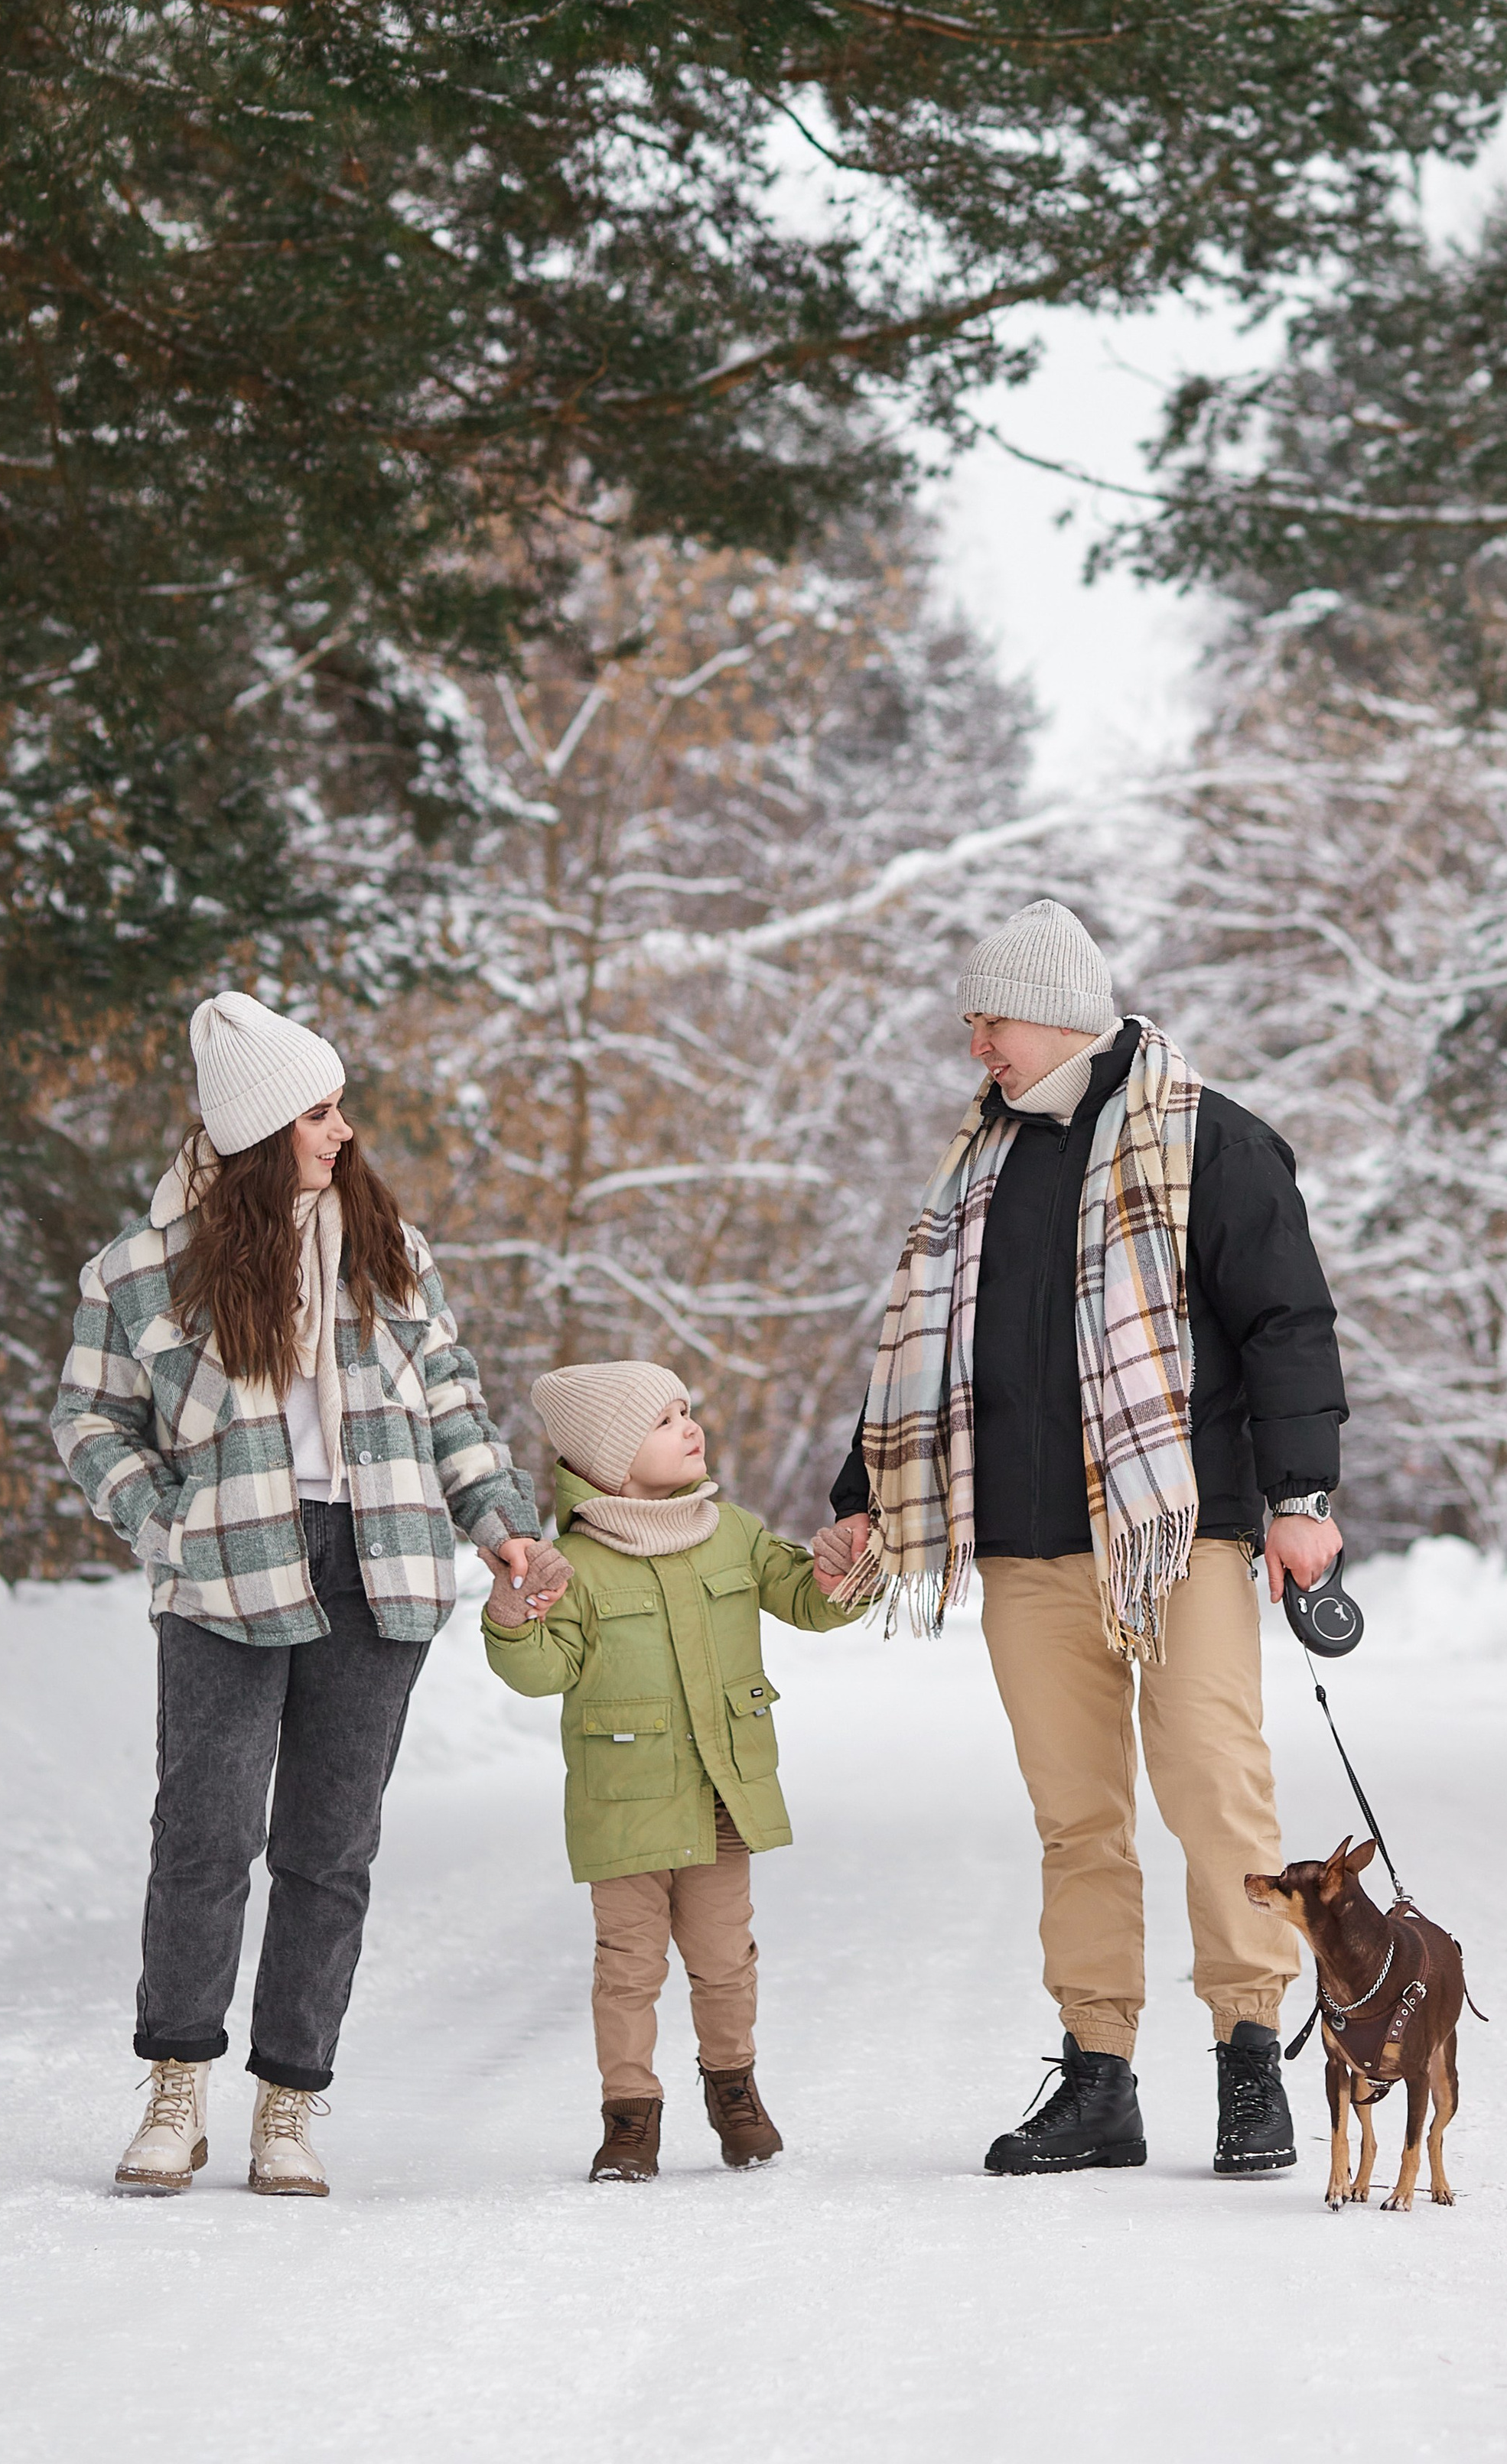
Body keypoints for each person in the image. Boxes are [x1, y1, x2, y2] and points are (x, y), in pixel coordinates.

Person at [812, 899, 1346, 2180]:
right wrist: (863, 1494)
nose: (977, 1048)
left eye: (988, 1021)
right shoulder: (976, 1167)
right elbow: (926, 1356)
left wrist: (1301, 1497)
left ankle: (1249, 2057)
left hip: (1181, 1533)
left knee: (1216, 1792)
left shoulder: (1206, 1139)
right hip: (1024, 1539)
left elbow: (1287, 1321)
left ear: (1052, 1013)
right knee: (1076, 1816)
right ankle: (1100, 2073)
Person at [54, 990, 566, 2200]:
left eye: (340, 1107)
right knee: (206, 1835)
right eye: (321, 1111)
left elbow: (450, 1404)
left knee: (331, 1850)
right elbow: (88, 1419)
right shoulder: (142, 1270)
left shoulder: (392, 1249)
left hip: (375, 1562)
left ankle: (289, 2102)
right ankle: (177, 2088)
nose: (343, 1131)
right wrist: (164, 1522)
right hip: (224, 1568)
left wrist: (498, 1524)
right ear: (261, 1125)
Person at [484, 1360, 861, 2183]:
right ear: (611, 1457)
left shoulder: (731, 1531)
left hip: (721, 1798)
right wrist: (514, 1618)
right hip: (624, 1805)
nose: (690, 1428)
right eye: (663, 1421)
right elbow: (542, 1671)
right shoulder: (573, 1563)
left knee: (725, 1959)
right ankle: (629, 2117)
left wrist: (837, 1571)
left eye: (687, 1411)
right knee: (627, 1967)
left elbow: (804, 1597)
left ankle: (734, 2089)